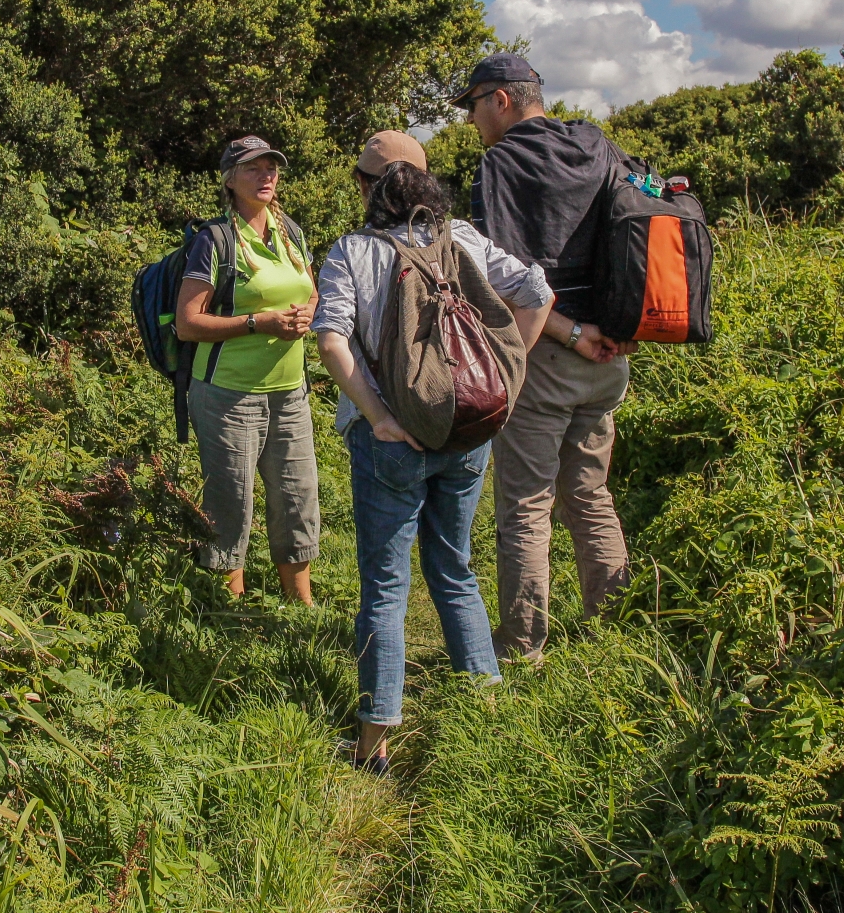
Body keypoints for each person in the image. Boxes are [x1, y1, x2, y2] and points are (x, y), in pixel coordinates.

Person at [312, 130, 553, 772]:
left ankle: (373, 746)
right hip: (469, 431)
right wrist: (507, 384)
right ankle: (486, 713)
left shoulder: (353, 252)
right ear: (426, 184)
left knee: (385, 589)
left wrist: (382, 418)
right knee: (455, 567)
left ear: (365, 188)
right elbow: (537, 293)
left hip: (393, 439)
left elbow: (333, 340)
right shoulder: (464, 239)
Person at [452, 54, 635, 661]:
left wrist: (568, 331)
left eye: (474, 105)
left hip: (549, 352)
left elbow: (498, 275)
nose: (472, 120)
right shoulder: (596, 145)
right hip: (612, 357)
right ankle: (613, 629)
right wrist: (607, 329)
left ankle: (521, 647)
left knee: (526, 504)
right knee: (589, 492)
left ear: (502, 99)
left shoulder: (501, 165)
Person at [174, 135, 321, 603]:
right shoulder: (213, 240)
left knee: (298, 498)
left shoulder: (290, 232)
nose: (267, 176)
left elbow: (311, 292)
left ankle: (300, 607)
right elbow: (187, 323)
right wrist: (260, 323)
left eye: (272, 167)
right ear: (230, 179)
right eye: (254, 168)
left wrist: (306, 315)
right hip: (227, 395)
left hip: (290, 392)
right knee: (231, 503)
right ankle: (227, 609)